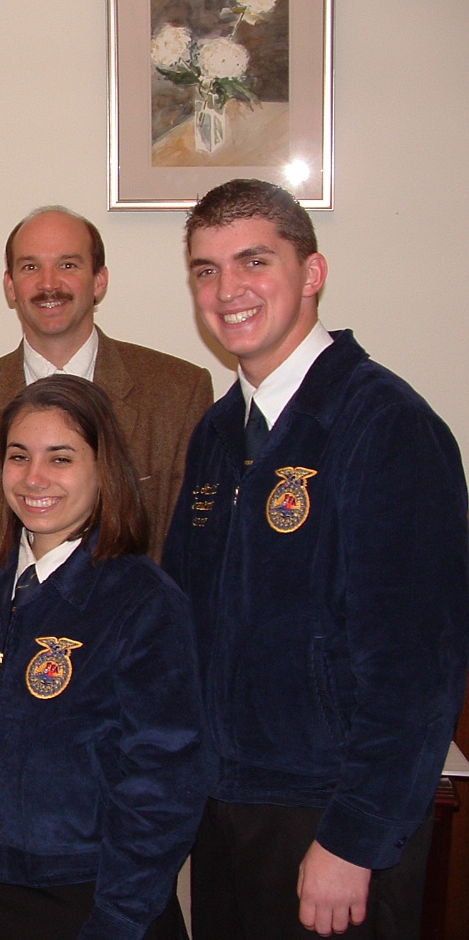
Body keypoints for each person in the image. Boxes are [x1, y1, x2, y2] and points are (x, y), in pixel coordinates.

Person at [163, 178, 469, 939]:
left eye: (253, 261)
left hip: (330, 819)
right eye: (206, 269)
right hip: (225, 806)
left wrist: (354, 838)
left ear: (313, 274)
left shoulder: (385, 425)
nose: (228, 290)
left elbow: (417, 667)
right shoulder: (216, 433)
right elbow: (182, 620)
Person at [0, 375, 205, 940]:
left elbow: (163, 786)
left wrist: (119, 917)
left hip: (97, 899)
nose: (34, 478)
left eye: (60, 458)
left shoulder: (142, 604)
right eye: (19, 457)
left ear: (101, 469)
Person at [0, 206, 213, 560]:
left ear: (99, 280)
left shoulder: (178, 394)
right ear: (10, 285)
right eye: (30, 267)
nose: (48, 284)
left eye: (68, 265)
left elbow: (195, 550)